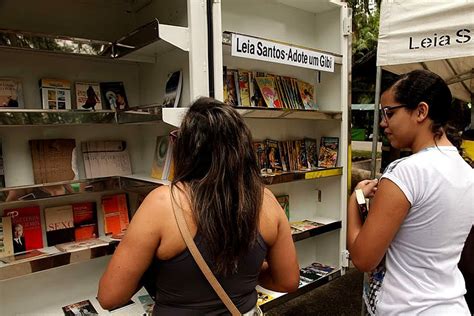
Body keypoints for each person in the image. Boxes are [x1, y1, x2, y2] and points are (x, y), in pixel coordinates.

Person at [98, 97, 299, 314]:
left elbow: (109, 297)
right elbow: (287, 281)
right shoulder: (266, 200)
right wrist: (243, 271)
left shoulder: (162, 203)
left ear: (187, 148)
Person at [347, 69, 474, 315]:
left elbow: (363, 259)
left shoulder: (405, 171)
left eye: (389, 113)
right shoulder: (468, 173)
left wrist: (355, 200)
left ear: (420, 111)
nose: (383, 122)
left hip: (407, 307)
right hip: (452, 305)